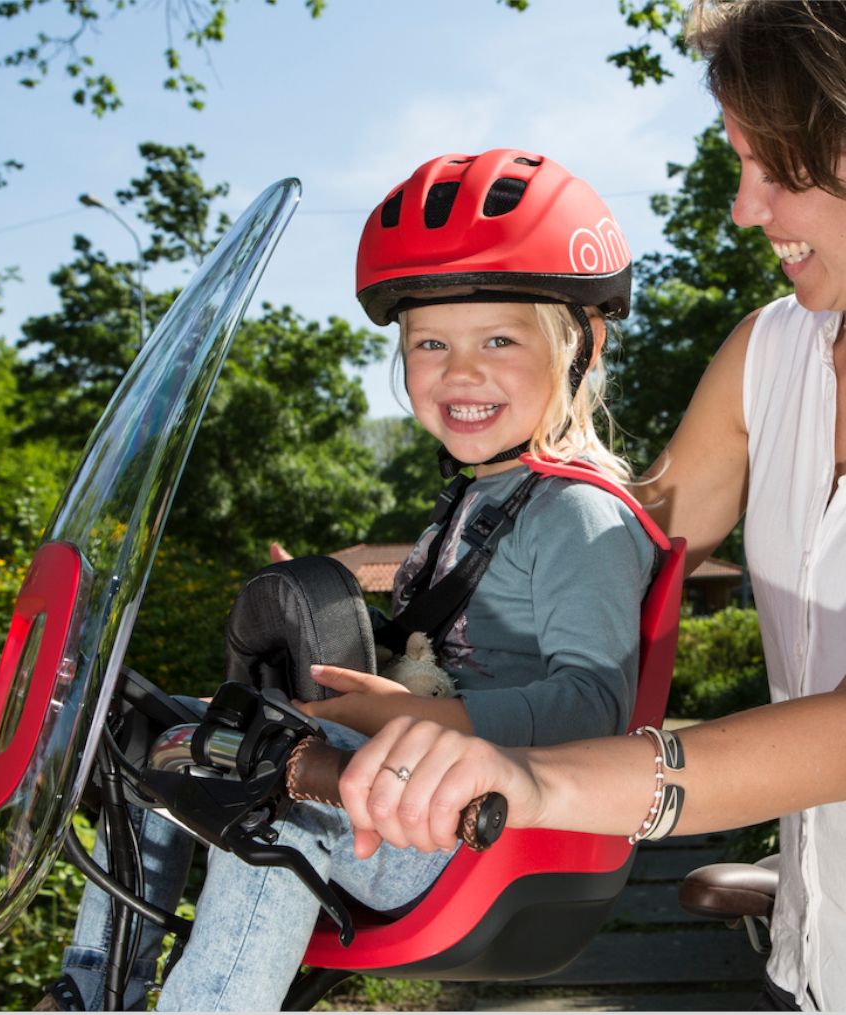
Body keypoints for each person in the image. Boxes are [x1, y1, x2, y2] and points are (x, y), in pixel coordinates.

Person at [43, 148, 657, 1012]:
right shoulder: (475, 504)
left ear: (578, 348)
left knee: (281, 794)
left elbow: (595, 706)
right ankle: (91, 989)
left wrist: (407, 714)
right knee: (155, 733)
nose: (460, 369)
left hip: (484, 822)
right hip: (415, 787)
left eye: (500, 340)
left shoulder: (579, 515)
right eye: (431, 343)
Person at [339, 3, 846, 1010]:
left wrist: (548, 779)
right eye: (734, 162)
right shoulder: (769, 353)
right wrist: (350, 578)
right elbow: (623, 529)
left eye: (778, 170)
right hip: (818, 949)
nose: (743, 210)